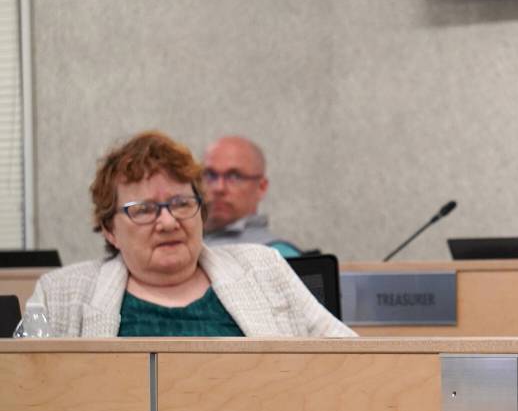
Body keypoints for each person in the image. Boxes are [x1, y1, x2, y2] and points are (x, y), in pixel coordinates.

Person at [25, 131, 355, 338]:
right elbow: (26, 394)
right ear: (110, 229)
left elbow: (349, 360)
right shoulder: (57, 295)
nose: (168, 222)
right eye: (144, 210)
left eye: (182, 203)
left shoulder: (264, 268)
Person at [201, 135, 302, 257]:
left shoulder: (278, 256)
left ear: (261, 187)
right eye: (210, 175)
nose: (219, 187)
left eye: (234, 177)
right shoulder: (183, 243)